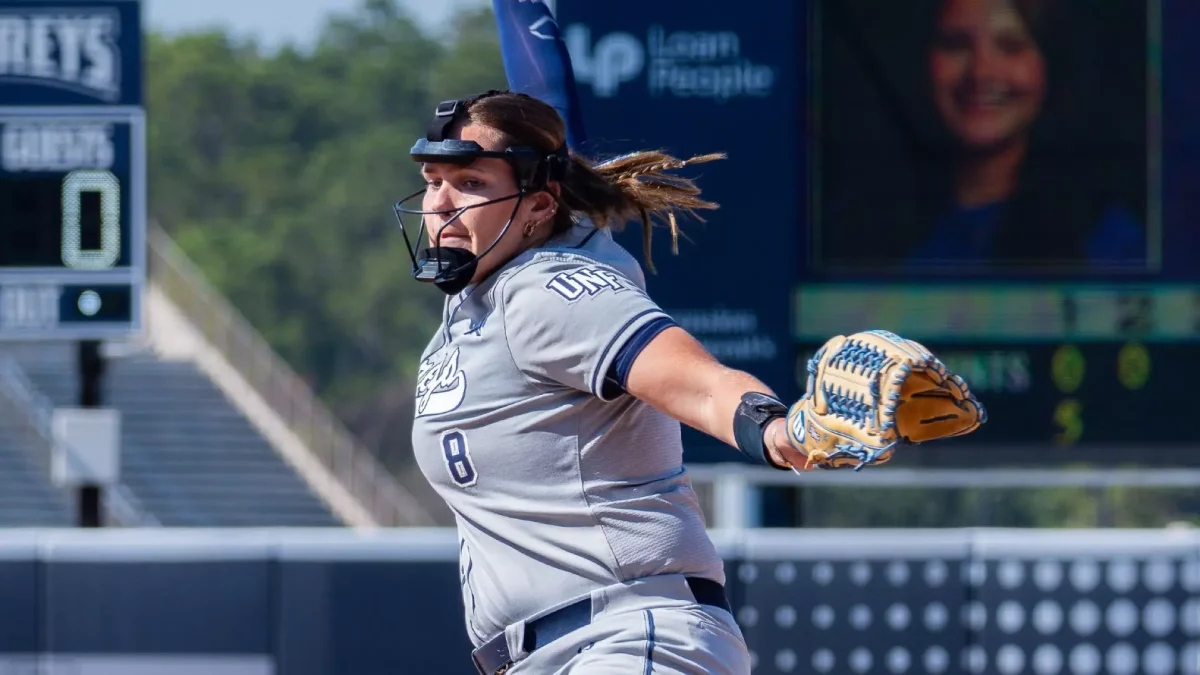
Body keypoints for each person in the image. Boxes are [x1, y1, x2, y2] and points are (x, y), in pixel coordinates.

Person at [905, 0, 1146, 269]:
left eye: (1011, 47)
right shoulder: (871, 224)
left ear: (1049, 68)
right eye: (956, 44)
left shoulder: (1107, 239)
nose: (981, 72)